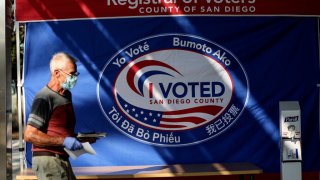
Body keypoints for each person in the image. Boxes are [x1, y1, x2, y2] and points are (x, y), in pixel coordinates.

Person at [24, 52, 94, 180]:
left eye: (76, 74)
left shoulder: (66, 95)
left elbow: (57, 130)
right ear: (57, 73)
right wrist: (64, 141)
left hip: (62, 159)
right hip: (49, 161)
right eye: (72, 74)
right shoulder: (44, 97)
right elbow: (30, 135)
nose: (75, 78)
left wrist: (80, 139)